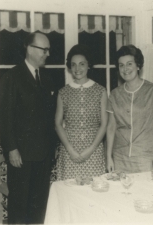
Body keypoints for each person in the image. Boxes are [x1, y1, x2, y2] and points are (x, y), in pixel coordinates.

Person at [0, 32, 56, 224]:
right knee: (19, 206)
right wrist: (11, 148)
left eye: (48, 50)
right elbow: (4, 117)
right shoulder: (12, 77)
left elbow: (49, 117)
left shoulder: (47, 78)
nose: (47, 54)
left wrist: (51, 149)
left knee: (39, 205)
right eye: (43, 49)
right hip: (21, 156)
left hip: (43, 155)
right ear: (30, 49)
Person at [106, 45, 153, 173]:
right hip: (120, 158)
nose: (125, 69)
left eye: (129, 64)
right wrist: (108, 156)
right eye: (121, 65)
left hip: (147, 158)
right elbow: (111, 127)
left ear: (138, 65)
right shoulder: (114, 94)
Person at [55, 44, 107, 180]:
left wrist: (91, 149)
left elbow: (104, 124)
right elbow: (58, 124)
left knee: (93, 192)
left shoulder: (100, 91)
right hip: (69, 150)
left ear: (88, 65)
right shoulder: (63, 92)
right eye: (73, 65)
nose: (77, 69)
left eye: (82, 64)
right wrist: (70, 150)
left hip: (94, 149)